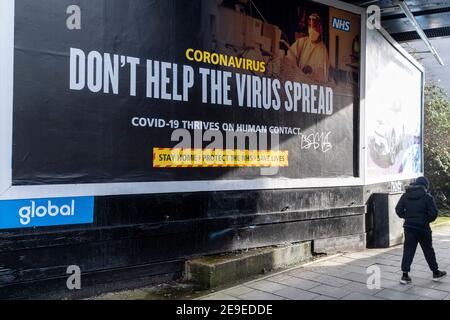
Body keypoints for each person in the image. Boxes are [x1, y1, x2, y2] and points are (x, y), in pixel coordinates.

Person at [395, 176, 447, 284]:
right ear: (425, 186)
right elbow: (433, 214)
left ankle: (405, 276)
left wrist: (407, 217)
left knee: (408, 250)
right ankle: (435, 273)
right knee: (428, 250)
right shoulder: (427, 197)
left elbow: (398, 209)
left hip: (409, 227)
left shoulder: (406, 195)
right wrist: (424, 220)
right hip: (423, 228)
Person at [286, 13, 330, 83]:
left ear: (320, 28)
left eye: (314, 26)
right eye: (310, 25)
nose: (311, 29)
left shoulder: (322, 50)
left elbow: (322, 75)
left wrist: (312, 71)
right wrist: (294, 69)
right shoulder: (302, 41)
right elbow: (290, 57)